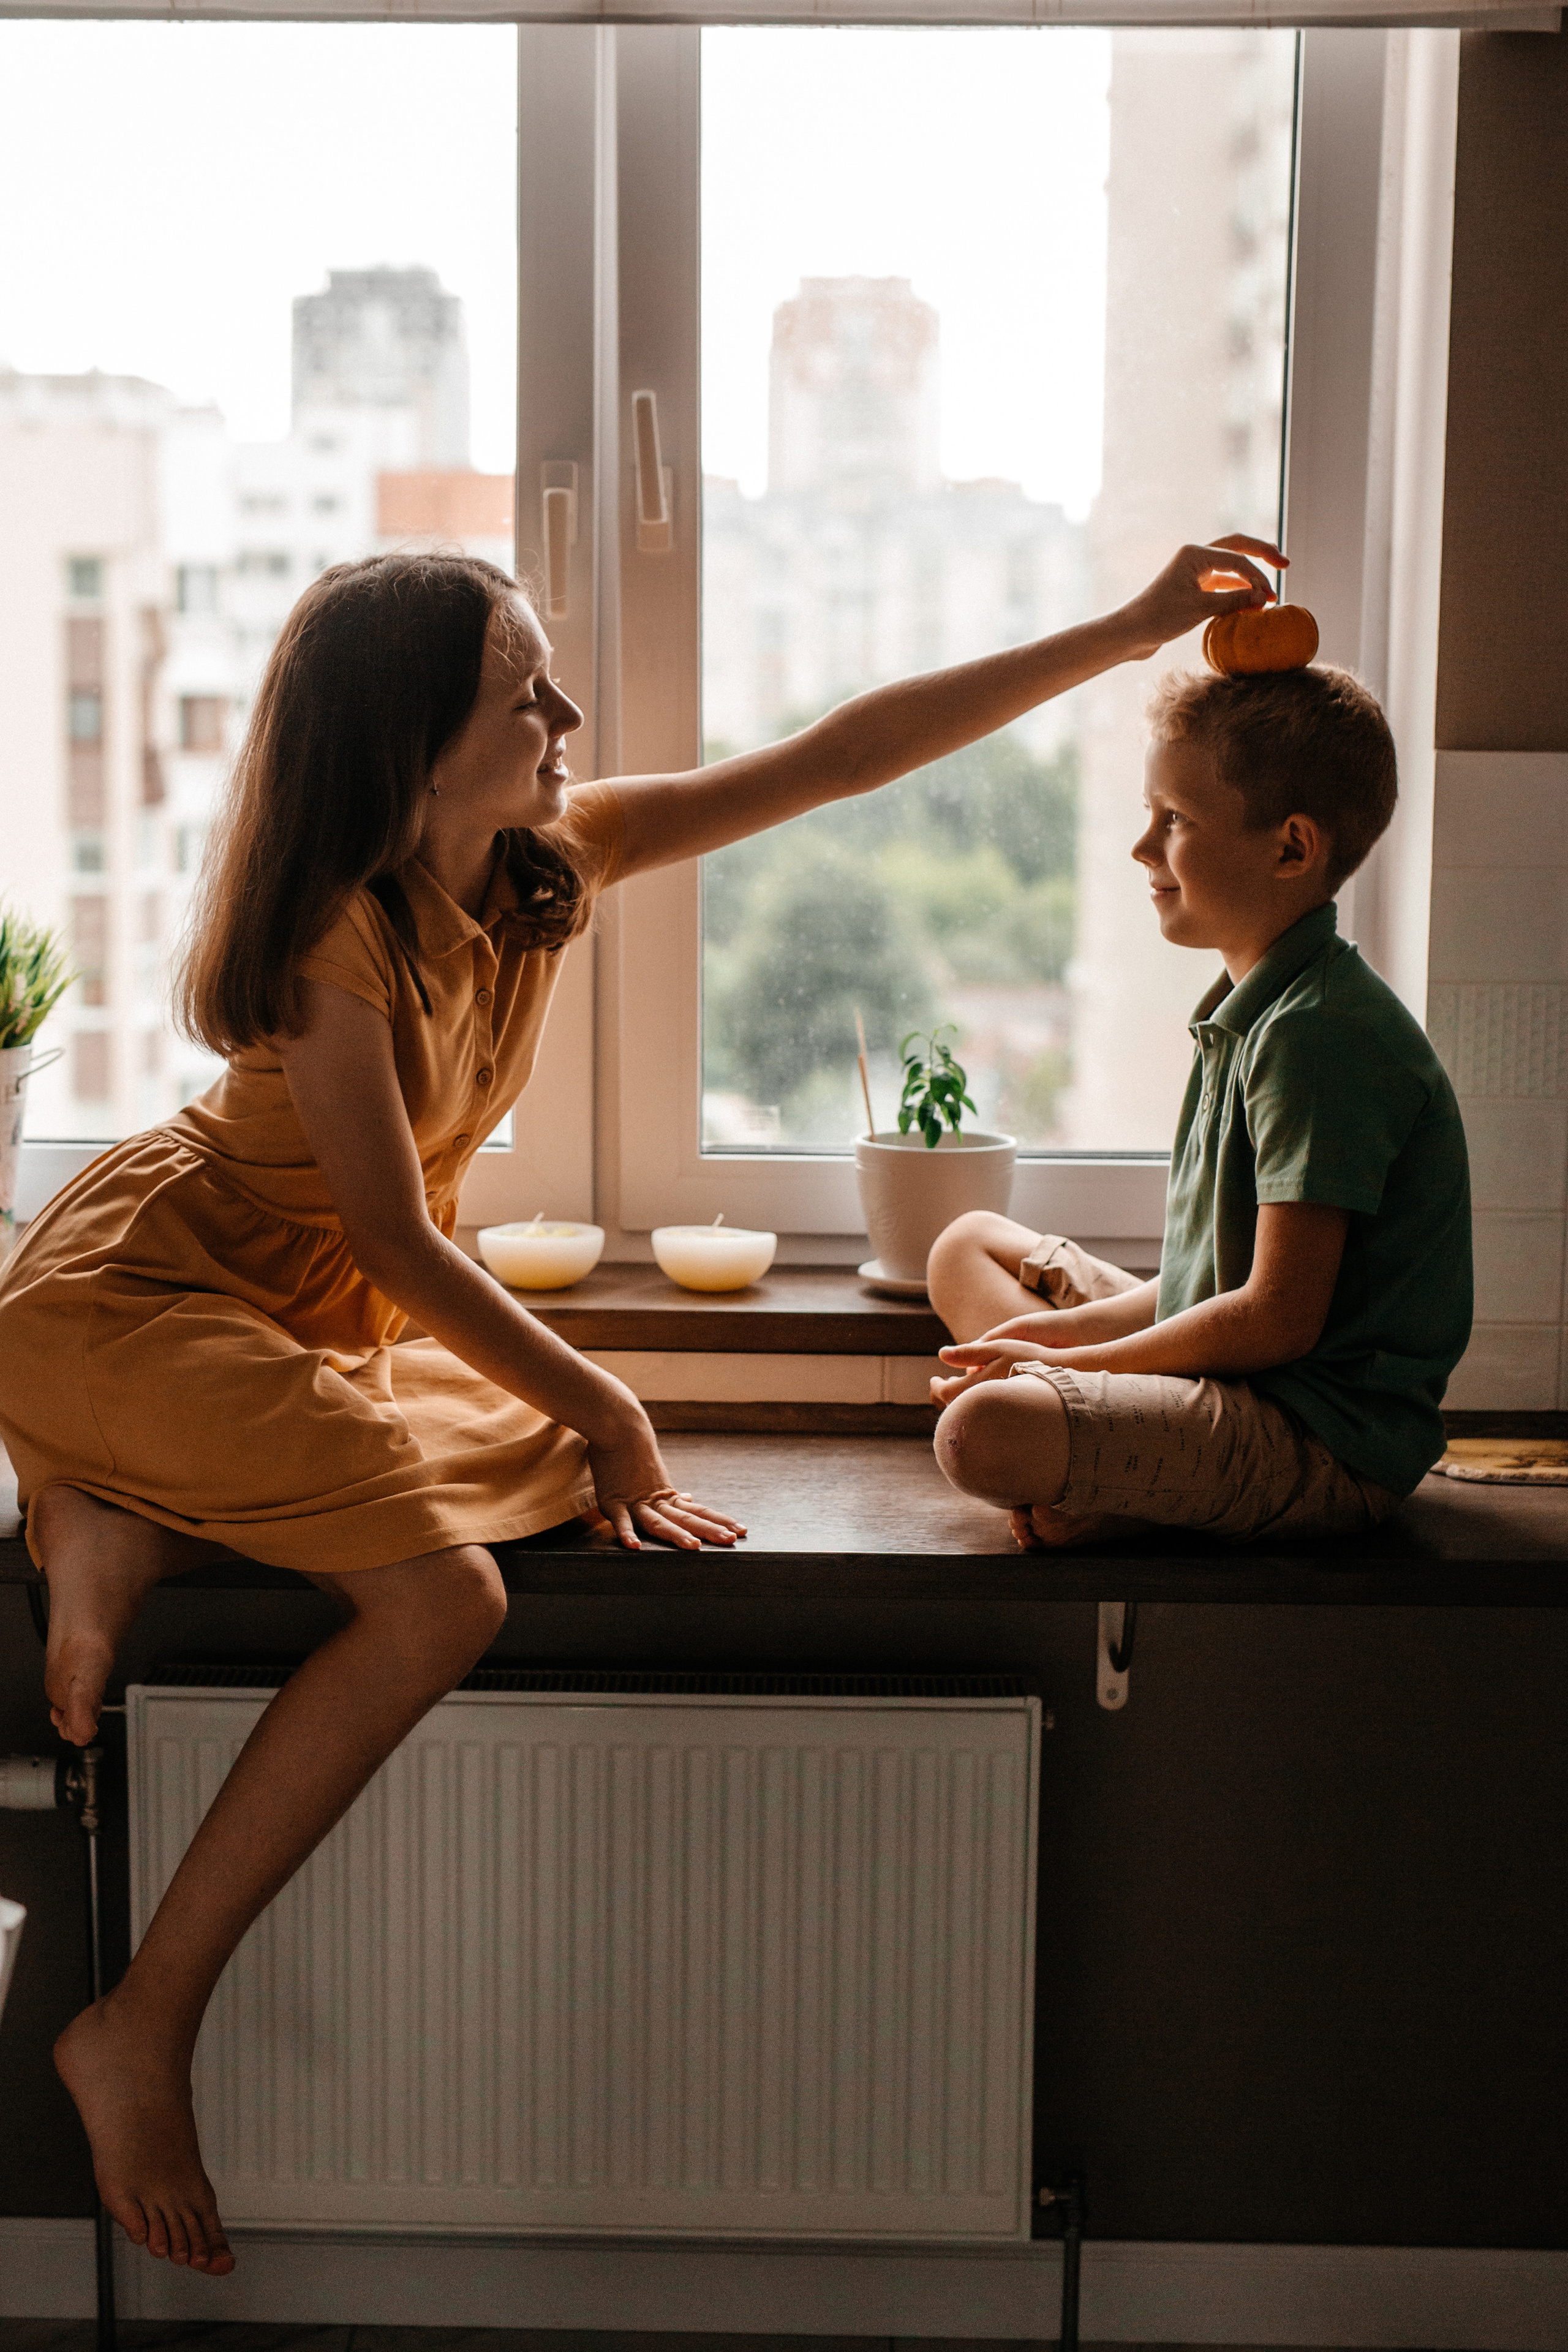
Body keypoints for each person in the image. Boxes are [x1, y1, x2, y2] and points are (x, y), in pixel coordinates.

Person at [0, 534, 1278, 2277]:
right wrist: (612, 1405)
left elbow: (840, 755)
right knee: (451, 1587)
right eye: (525, 689)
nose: (569, 712)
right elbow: (388, 1231)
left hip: (302, 1331)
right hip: (141, 1302)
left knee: (522, 1458)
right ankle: (140, 2019)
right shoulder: (329, 942)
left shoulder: (547, 859)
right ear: (408, 749)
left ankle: (111, 1509)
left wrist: (1130, 632)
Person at [927, 658, 1472, 1552]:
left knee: (979, 1431)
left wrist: (1065, 1364)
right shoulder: (1255, 1007)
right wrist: (1044, 1346)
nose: (1144, 848)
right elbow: (1198, 1294)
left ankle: (1116, 1480)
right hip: (1241, 1369)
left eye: (1174, 820)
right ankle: (1111, 1468)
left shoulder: (1319, 1034)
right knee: (965, 1248)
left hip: (1320, 1441)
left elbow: (1276, 1318)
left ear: (1292, 848)